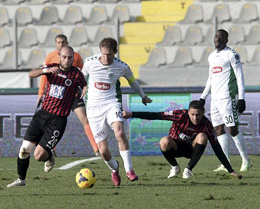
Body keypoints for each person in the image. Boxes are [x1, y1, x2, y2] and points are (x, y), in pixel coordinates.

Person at [7, 46, 87, 187]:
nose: (67, 60)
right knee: (24, 149)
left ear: (73, 58)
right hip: (42, 115)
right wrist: (45, 71)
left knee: (39, 156)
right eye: (64, 57)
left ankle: (49, 156)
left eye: (70, 58)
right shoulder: (52, 68)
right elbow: (30, 74)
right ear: (59, 56)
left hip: (58, 121)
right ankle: (21, 179)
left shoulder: (76, 74)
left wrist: (86, 88)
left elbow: (85, 85)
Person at [82, 37, 152, 186]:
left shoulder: (122, 66)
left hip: (111, 103)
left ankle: (129, 170)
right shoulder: (89, 62)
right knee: (104, 151)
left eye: (109, 55)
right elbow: (81, 78)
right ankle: (115, 169)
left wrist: (143, 96)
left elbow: (132, 81)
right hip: (93, 108)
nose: (105, 58)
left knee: (119, 133)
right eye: (103, 54)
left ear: (115, 52)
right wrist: (82, 87)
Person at [123, 100, 242, 179]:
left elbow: (217, 148)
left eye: (198, 115)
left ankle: (188, 170)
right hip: (175, 147)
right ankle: (175, 167)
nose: (195, 118)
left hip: (192, 150)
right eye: (192, 114)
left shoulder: (207, 125)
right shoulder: (179, 115)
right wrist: (132, 114)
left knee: (202, 136)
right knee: (164, 141)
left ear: (203, 113)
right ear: (188, 112)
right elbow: (156, 115)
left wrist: (230, 170)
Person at [199, 29, 252, 172]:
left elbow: (240, 76)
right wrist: (203, 97)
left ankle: (246, 160)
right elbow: (210, 78)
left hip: (228, 98)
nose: (218, 38)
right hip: (215, 100)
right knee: (218, 129)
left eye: (221, 37)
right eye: (216, 36)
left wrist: (242, 98)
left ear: (226, 40)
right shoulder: (211, 57)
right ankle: (226, 162)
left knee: (232, 129)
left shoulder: (232, 55)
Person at [37, 34, 99, 156]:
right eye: (58, 42)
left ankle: (97, 149)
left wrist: (85, 86)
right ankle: (50, 150)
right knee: (50, 123)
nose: (61, 44)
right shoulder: (50, 57)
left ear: (67, 42)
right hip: (56, 98)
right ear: (56, 44)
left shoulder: (75, 56)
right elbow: (44, 76)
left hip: (73, 94)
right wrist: (40, 93)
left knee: (85, 119)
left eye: (63, 42)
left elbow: (83, 73)